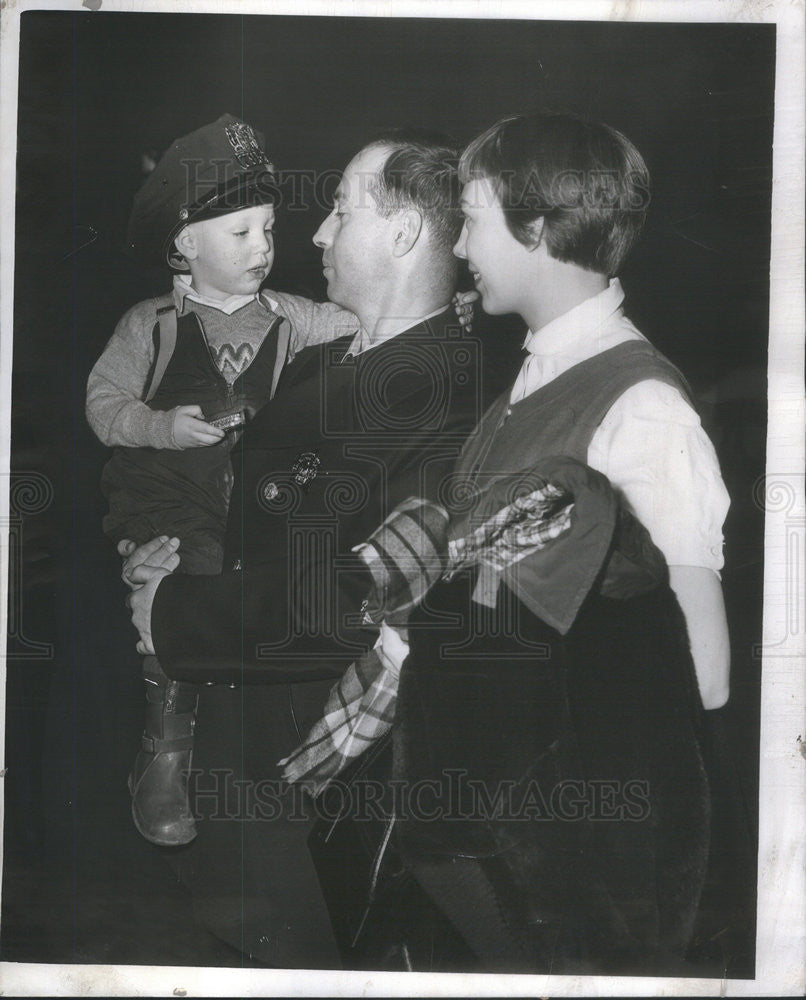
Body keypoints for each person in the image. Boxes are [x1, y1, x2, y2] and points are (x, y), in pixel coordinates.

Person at [122, 129, 506, 968]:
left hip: (326, 787)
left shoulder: (459, 401)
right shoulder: (320, 364)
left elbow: (355, 602)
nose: (319, 235)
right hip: (242, 745)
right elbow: (245, 526)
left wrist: (174, 613)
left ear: (404, 236)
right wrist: (163, 563)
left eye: (340, 209)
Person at [376, 110, 729, 972]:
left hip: (574, 861)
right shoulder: (535, 376)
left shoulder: (642, 406)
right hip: (492, 838)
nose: (459, 246)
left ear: (535, 227)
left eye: (473, 219)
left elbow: (705, 674)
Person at [86, 114, 357, 848]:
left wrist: (422, 310)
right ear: (183, 245)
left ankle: (289, 756)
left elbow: (360, 325)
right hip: (168, 496)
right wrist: (161, 426)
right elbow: (103, 406)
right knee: (185, 578)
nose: (263, 249)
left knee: (285, 588)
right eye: (241, 233)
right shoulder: (151, 325)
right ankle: (164, 750)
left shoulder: (293, 319)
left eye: (269, 230)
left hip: (255, 498)